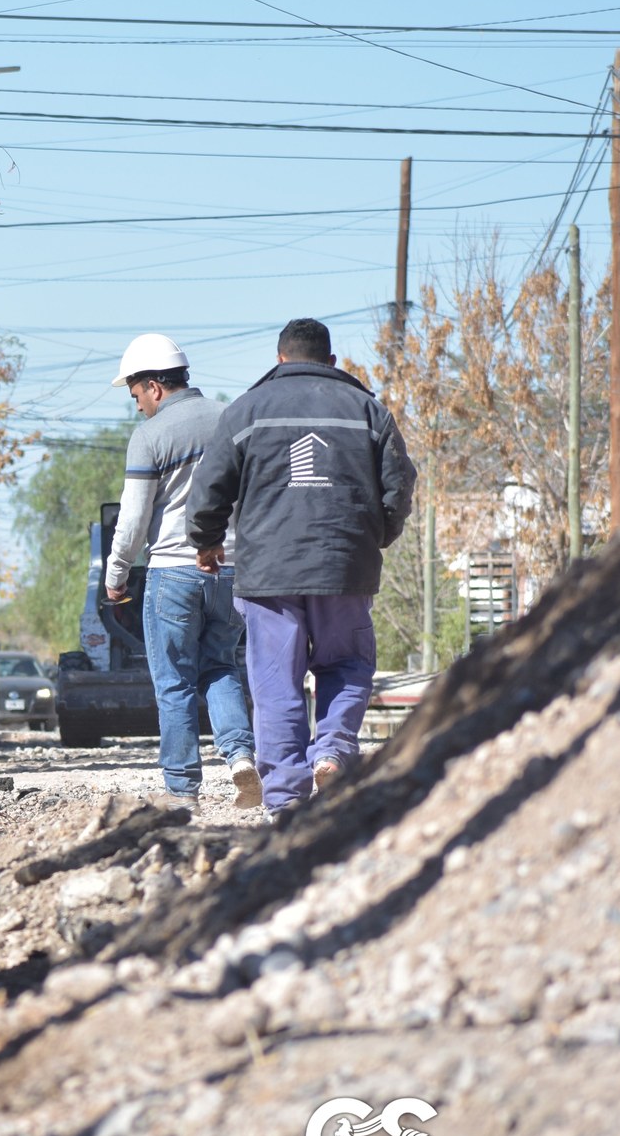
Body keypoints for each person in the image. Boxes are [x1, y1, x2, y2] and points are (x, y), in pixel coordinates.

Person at [186, 318, 415, 821]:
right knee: (348, 666)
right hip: (345, 566)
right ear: (331, 363)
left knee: (275, 680)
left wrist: (205, 541)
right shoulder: (369, 410)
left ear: (280, 359)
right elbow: (399, 487)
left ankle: (286, 798)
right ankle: (332, 751)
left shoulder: (246, 411)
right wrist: (374, 539)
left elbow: (209, 489)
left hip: (269, 572)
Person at [104, 333, 261, 808]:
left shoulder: (151, 436)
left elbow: (132, 518)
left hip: (172, 572)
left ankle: (182, 791)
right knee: (220, 666)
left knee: (173, 681)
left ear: (154, 385)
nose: (137, 407)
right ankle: (239, 757)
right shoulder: (231, 420)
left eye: (136, 396)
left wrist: (115, 575)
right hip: (230, 571)